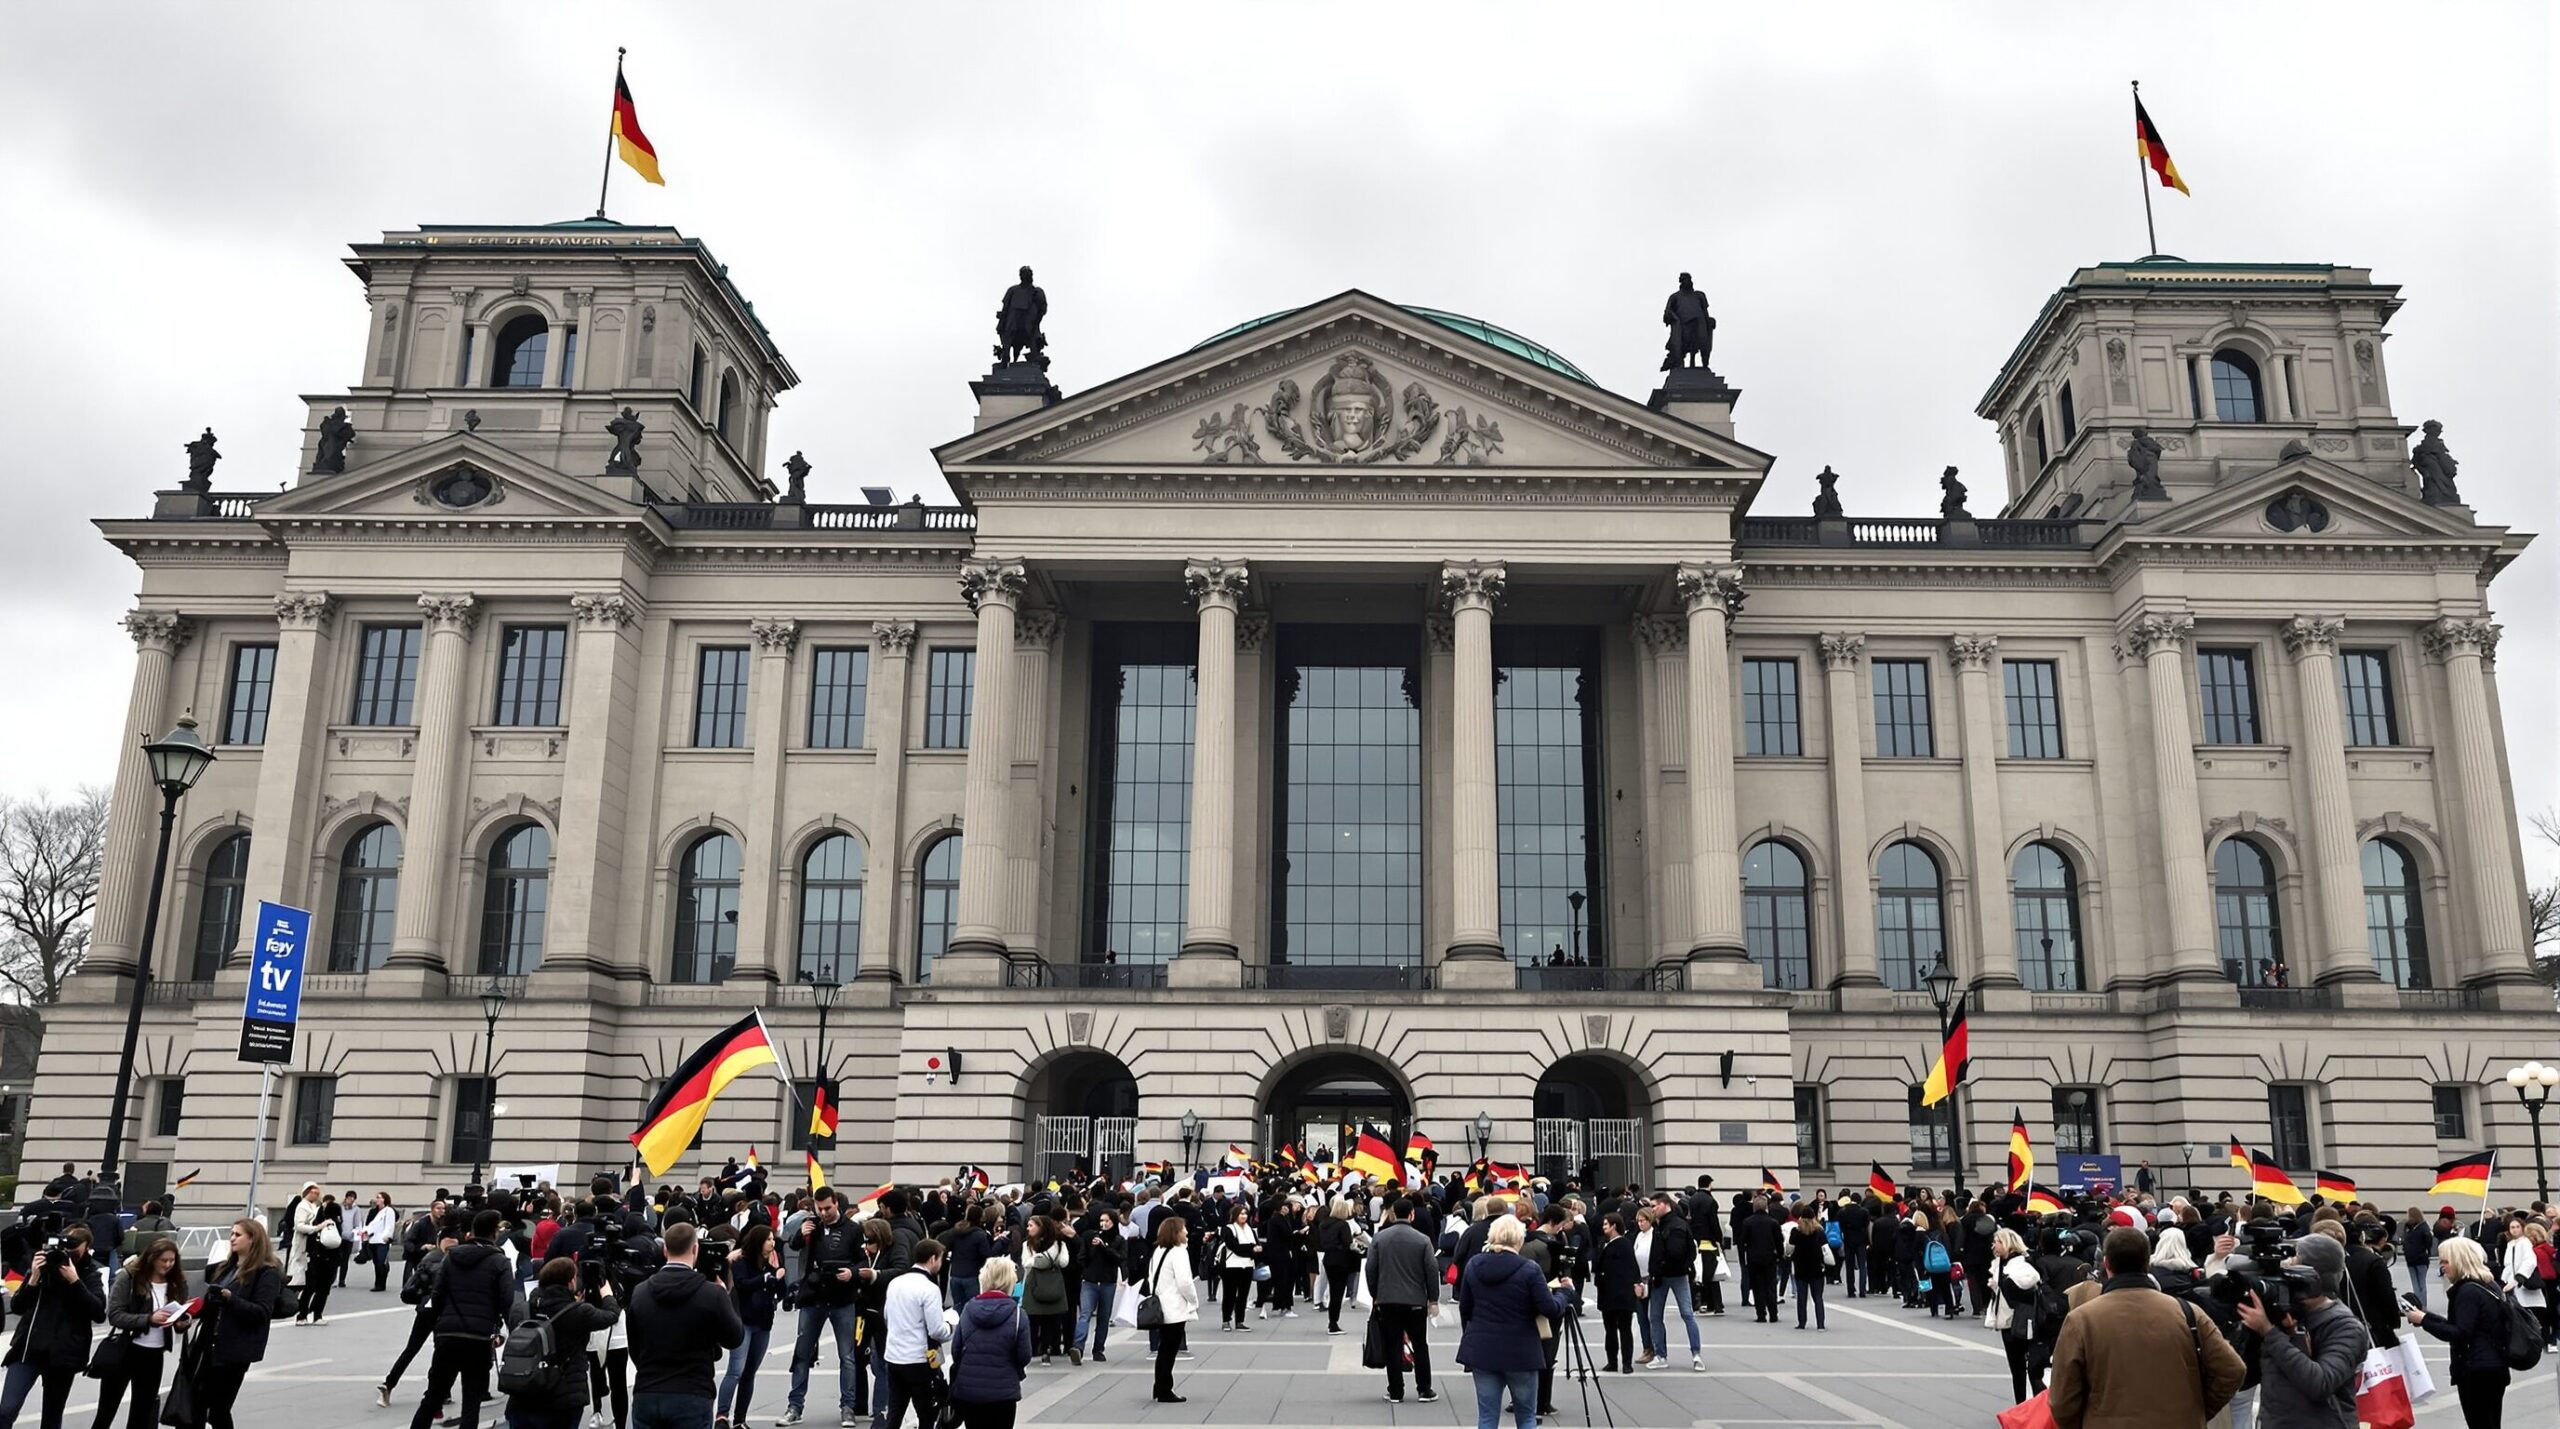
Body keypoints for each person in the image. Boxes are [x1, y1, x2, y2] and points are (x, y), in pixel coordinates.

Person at [2048, 1226, 2245, 1429]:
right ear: (2147, 1262)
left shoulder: (2081, 1319)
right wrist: (2198, 1409)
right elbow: (2232, 1370)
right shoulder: (2188, 1313)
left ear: (2106, 1264)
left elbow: (2062, 1400)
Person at [2238, 1233, 2367, 1429]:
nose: (2285, 1270)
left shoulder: (2345, 1326)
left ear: (2311, 1276)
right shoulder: (2285, 1314)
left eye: (2293, 1263)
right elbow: (2248, 1376)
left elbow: (2321, 1383)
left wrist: (2269, 1332)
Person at [407, 1210, 521, 1429]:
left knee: (433, 1396)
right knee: (472, 1400)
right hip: (479, 1336)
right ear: (494, 1233)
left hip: (448, 1333)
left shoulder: (451, 1257)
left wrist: (442, 1322)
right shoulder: (500, 1261)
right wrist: (507, 1329)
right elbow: (507, 1301)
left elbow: (438, 1295)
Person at [626, 1221, 744, 1429]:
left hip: (648, 1389)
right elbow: (734, 1338)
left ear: (665, 1250)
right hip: (692, 1390)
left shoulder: (640, 1292)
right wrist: (727, 1297)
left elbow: (635, 1345)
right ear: (695, 1249)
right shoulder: (711, 1293)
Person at [1456, 1215, 1569, 1429]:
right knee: (1526, 1416)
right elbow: (1549, 1308)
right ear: (1519, 1239)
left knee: (1487, 1416)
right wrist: (1564, 1294)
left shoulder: (1474, 1265)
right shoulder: (1530, 1269)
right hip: (1521, 1351)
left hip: (1483, 1349)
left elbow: (1465, 1308)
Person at [182, 1219, 285, 1429]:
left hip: (235, 1350)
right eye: (232, 1234)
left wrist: (230, 1298)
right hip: (208, 1345)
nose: (232, 1239)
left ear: (253, 1239)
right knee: (196, 1405)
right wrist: (189, 1313)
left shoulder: (267, 1272)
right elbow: (210, 1302)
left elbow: (261, 1313)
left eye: (238, 1235)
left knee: (218, 1410)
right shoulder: (225, 1267)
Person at [0, 1222, 103, 1428]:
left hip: (63, 1355)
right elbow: (17, 1306)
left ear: (86, 1247)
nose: (69, 1252)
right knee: (6, 1410)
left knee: (52, 1416)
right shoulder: (43, 1266)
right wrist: (33, 1278)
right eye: (66, 1245)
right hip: (28, 1349)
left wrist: (74, 1280)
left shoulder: (90, 1272)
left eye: (75, 1247)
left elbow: (98, 1313)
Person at [500, 1256, 618, 1429]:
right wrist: (607, 1294)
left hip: (524, 1390)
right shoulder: (578, 1312)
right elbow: (611, 1316)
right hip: (563, 1397)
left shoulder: (521, 1309)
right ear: (571, 1282)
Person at [2407, 1235, 2511, 1429]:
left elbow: (2459, 1332)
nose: (2442, 1267)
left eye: (2446, 1262)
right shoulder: (2488, 1283)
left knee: (2480, 1423)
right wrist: (2426, 1317)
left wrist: (2424, 1320)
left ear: (2460, 1261)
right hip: (2493, 1365)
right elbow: (2464, 1325)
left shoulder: (2468, 1291)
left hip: (2476, 1369)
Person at [781, 1185, 864, 1427]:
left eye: (828, 1208)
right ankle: (795, 1406)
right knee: (802, 1354)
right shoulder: (812, 1225)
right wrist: (801, 1234)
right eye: (820, 1209)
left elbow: (863, 1260)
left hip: (842, 1298)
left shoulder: (853, 1229)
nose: (824, 1213)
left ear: (836, 1203)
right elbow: (793, 1246)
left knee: (847, 1356)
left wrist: (852, 1272)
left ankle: (848, 1407)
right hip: (813, 1296)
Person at [91, 1234, 189, 1429]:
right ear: (151, 1258)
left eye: (172, 1261)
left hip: (154, 1354)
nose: (168, 1265)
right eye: (164, 1260)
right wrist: (148, 1319)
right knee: (106, 1411)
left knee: (142, 1414)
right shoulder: (129, 1277)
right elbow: (115, 1315)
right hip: (126, 1350)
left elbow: (178, 1314)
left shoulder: (177, 1282)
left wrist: (182, 1323)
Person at [1367, 1196, 1440, 1405]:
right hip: (1416, 1300)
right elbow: (1431, 1271)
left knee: (1392, 1344)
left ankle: (1396, 1391)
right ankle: (1424, 1389)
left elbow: (1370, 1269)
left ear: (1392, 1214)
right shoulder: (1423, 1240)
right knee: (1420, 1344)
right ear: (1412, 1214)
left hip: (1388, 1299)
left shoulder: (1380, 1238)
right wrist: (1433, 1299)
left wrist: (1375, 1294)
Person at [948, 1258, 1032, 1429]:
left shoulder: (968, 1309)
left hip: (970, 1391)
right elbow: (1024, 1356)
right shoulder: (1017, 1315)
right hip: (1003, 1392)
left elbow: (956, 1350)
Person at [714, 1223, 783, 1429]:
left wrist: (778, 1277)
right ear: (758, 1242)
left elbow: (781, 1291)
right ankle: (722, 1416)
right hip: (744, 1322)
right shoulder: (742, 1263)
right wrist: (765, 1278)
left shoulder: (770, 1265)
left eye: (773, 1239)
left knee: (750, 1372)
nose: (772, 1243)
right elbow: (743, 1285)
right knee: (736, 1370)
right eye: (768, 1239)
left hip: (763, 1322)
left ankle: (740, 1419)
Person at [877, 1239, 950, 1429]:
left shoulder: (895, 1283)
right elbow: (936, 1330)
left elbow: (887, 1316)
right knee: (926, 1414)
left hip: (894, 1356)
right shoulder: (929, 1289)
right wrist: (951, 1327)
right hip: (918, 1359)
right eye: (940, 1259)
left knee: (895, 1412)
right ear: (932, 1259)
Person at [1141, 1215, 1199, 1404]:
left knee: (1164, 1348)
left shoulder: (1158, 1250)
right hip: (1174, 1305)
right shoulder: (1179, 1252)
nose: (1187, 1232)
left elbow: (1151, 1277)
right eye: (1183, 1229)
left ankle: (1160, 1387)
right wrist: (1193, 1301)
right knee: (1170, 1349)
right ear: (1176, 1232)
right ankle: (1165, 1389)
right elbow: (1185, 1282)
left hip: (1161, 1303)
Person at [1984, 1228, 2045, 1403]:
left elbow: (2027, 1284)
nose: (1993, 1245)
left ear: (2007, 1244)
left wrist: (2004, 1283)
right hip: (2007, 1320)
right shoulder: (2000, 1264)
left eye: (1997, 1241)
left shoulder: (2020, 1265)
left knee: (2023, 1367)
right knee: (2017, 1368)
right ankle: (2022, 1404)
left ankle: (2027, 1404)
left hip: (2019, 1320)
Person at [1017, 1218, 1072, 1365]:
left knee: (1039, 1321)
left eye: (1031, 1225)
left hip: (1037, 1286)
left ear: (1041, 1227)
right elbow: (1062, 1262)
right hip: (1048, 1285)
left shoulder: (1034, 1245)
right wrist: (1049, 1258)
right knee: (1045, 1322)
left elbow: (1028, 1263)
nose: (1028, 1228)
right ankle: (1043, 1349)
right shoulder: (1056, 1245)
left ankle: (1038, 1349)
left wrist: (1038, 1258)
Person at [1592, 1212, 1639, 1374]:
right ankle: (1612, 1361)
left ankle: (1626, 1362)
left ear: (1614, 1226)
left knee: (1624, 1328)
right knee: (1610, 1329)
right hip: (1608, 1292)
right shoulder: (1605, 1243)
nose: (1603, 1227)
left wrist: (1636, 1283)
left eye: (1606, 1224)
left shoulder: (1623, 1244)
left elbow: (1631, 1267)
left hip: (1621, 1292)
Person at [1074, 1207, 1122, 1364]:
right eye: (1101, 1220)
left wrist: (1104, 1247)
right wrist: (1092, 1251)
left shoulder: (1119, 1240)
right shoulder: (1090, 1236)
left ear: (1113, 1222)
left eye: (1107, 1221)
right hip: (1090, 1281)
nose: (1104, 1224)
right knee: (1085, 1314)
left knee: (1103, 1317)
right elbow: (1082, 1257)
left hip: (1108, 1282)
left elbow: (1119, 1259)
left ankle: (1098, 1349)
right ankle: (1078, 1347)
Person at [293, 1193, 346, 1325]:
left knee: (311, 1288)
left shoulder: (319, 1223)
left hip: (316, 1259)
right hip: (329, 1260)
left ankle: (303, 1315)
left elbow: (311, 1240)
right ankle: (316, 1314)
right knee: (323, 1289)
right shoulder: (334, 1225)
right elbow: (339, 1243)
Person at [1737, 1195, 1783, 1328]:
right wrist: (1779, 1256)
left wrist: (1743, 1257)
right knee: (1771, 1286)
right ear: (1766, 1207)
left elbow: (1742, 1242)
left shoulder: (1747, 1222)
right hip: (1769, 1258)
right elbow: (1779, 1241)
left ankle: (1761, 1314)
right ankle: (1773, 1313)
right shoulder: (1773, 1222)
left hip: (1753, 1258)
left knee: (1757, 1286)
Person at [1318, 1197, 1361, 1335]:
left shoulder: (1323, 1224)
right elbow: (1348, 1243)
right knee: (1338, 1293)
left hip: (1328, 1259)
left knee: (1333, 1290)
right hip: (1341, 1260)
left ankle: (1332, 1321)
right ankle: (1333, 1323)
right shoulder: (1343, 1225)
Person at [1215, 1205, 1258, 1333]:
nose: (1244, 1216)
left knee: (1243, 1295)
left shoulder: (1250, 1230)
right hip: (1231, 1266)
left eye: (1245, 1214)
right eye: (1241, 1214)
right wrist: (1251, 1248)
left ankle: (1240, 1321)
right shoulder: (1228, 1229)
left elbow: (1257, 1245)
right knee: (1229, 1294)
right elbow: (1234, 1246)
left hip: (1248, 1265)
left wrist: (1255, 1248)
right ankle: (1226, 1320)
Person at [1788, 1209, 1829, 1330]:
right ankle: (1820, 1324)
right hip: (1817, 1268)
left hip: (1800, 1267)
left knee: (1801, 1297)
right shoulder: (1819, 1232)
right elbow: (1825, 1249)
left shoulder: (1796, 1232)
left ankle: (1802, 1323)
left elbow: (1790, 1248)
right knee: (1818, 1297)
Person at [361, 1193, 401, 1292]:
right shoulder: (375, 1211)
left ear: (384, 1199)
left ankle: (381, 1284)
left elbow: (389, 1225)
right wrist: (365, 1232)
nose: (377, 1199)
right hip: (373, 1240)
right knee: (376, 1263)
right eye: (377, 1197)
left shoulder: (389, 1210)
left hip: (382, 1241)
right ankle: (378, 1283)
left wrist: (386, 1236)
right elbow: (370, 1224)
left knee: (380, 1262)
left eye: (379, 1197)